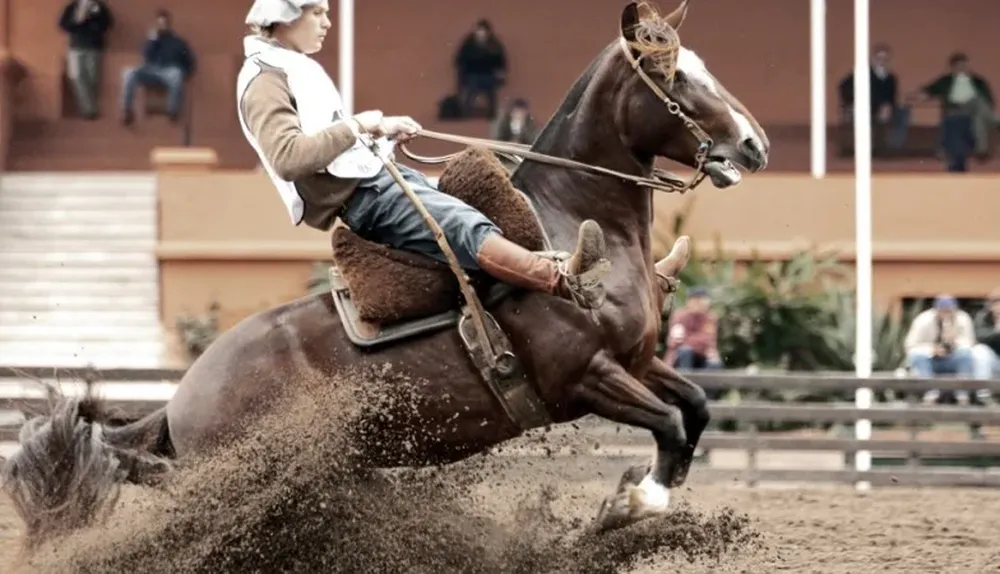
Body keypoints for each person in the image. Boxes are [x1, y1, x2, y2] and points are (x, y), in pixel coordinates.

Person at [236, 0, 610, 310]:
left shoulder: (286, 67)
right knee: (464, 225)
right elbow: (288, 157)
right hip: (369, 199)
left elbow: (332, 146)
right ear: (283, 16)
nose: (327, 22)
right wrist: (361, 124)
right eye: (317, 12)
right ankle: (564, 283)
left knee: (489, 202)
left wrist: (383, 132)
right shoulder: (264, 81)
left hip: (381, 184)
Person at [120, 10, 196, 124]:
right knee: (128, 72)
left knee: (176, 74)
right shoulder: (151, 40)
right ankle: (127, 110)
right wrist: (152, 39)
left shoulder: (178, 42)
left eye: (164, 23)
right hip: (151, 70)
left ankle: (173, 111)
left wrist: (184, 73)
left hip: (169, 72)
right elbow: (145, 55)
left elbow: (190, 61)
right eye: (159, 23)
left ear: (168, 25)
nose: (162, 26)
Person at [58, 0, 114, 119]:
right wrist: (77, 20)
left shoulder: (99, 6)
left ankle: (90, 108)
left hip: (94, 47)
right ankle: (88, 110)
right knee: (76, 76)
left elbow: (108, 24)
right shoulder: (72, 6)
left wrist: (94, 19)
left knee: (92, 77)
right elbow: (63, 25)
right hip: (75, 47)